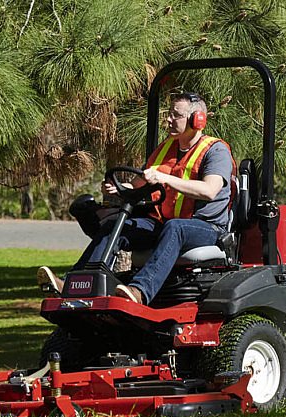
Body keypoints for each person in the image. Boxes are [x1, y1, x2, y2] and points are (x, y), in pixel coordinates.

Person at [38, 92, 235, 305]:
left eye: (175, 115)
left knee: (176, 228)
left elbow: (209, 190)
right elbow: (139, 183)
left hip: (207, 228)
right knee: (116, 226)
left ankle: (139, 291)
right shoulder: (166, 148)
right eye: (168, 113)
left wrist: (164, 178)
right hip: (164, 223)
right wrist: (120, 188)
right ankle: (74, 284)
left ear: (197, 120)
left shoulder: (216, 151)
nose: (168, 119)